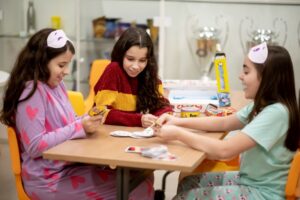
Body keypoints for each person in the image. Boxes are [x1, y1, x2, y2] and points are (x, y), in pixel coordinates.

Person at [0, 28, 154, 200]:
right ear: (41, 62)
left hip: (67, 167)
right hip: (48, 180)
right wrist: (80, 126)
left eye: (68, 65)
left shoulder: (56, 85)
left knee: (141, 176)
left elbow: (69, 122)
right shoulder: (31, 92)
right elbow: (35, 146)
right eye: (61, 65)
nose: (66, 71)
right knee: (138, 186)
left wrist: (85, 120)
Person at [154, 42, 300, 200]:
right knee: (189, 182)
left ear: (266, 78)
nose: (240, 76)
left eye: (246, 71)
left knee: (183, 197)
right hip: (250, 182)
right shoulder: (261, 106)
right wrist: (177, 121)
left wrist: (178, 134)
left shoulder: (276, 113)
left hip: (263, 193)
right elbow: (224, 123)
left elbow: (225, 150)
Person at [94, 27, 172, 128]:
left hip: (136, 134)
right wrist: (139, 120)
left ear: (148, 60)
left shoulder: (150, 74)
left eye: (142, 60)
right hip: (109, 134)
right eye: (130, 59)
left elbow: (161, 105)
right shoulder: (113, 70)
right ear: (121, 55)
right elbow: (100, 112)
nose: (135, 66)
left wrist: (164, 116)